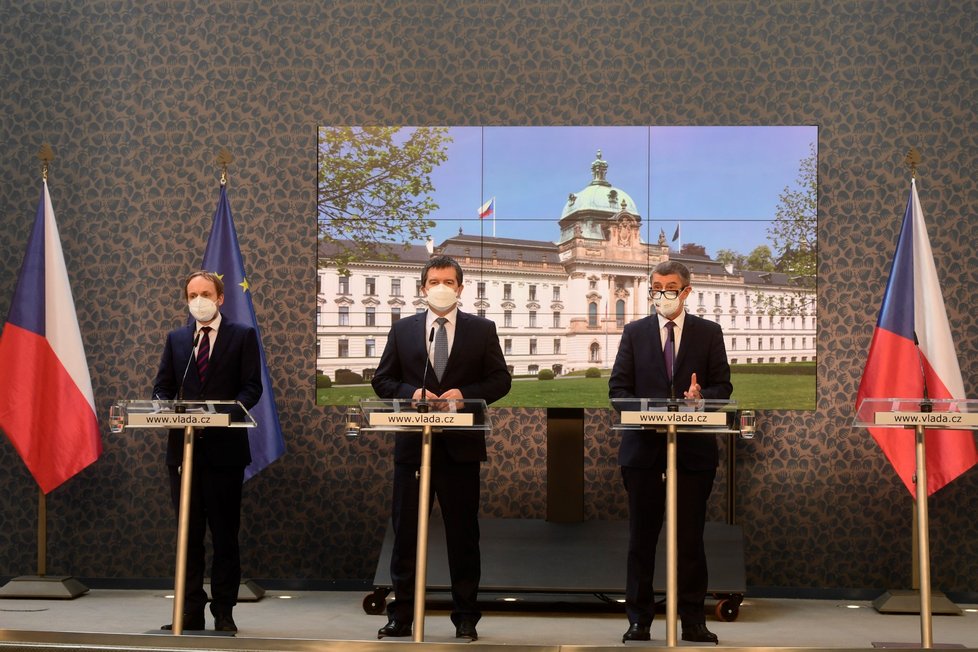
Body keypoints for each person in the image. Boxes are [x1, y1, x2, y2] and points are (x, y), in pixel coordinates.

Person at [371, 255, 511, 642]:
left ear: (461, 288)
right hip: (414, 449)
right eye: (434, 281)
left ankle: (466, 617)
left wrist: (464, 395)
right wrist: (411, 392)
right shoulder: (403, 330)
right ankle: (401, 615)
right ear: (423, 288)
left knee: (463, 537)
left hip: (461, 451)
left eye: (449, 281)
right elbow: (382, 381)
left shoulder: (482, 329)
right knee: (406, 537)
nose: (441, 287)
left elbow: (501, 380)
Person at [609, 260, 731, 645]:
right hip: (643, 453)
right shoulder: (634, 333)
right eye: (657, 286)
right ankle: (639, 621)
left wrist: (700, 397)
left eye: (670, 287)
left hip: (693, 455)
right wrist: (646, 410)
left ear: (686, 291)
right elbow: (618, 391)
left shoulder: (709, 333)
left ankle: (692, 621)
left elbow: (722, 387)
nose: (662, 293)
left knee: (690, 540)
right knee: (641, 541)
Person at [152, 270, 262, 633]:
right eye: (191, 294)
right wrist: (162, 406)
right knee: (189, 535)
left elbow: (252, 388)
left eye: (205, 293)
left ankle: (224, 612)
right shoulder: (178, 339)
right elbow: (162, 388)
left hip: (225, 452)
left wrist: (226, 413)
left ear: (219, 299)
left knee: (224, 535)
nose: (198, 300)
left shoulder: (242, 335)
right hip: (183, 454)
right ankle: (189, 611)